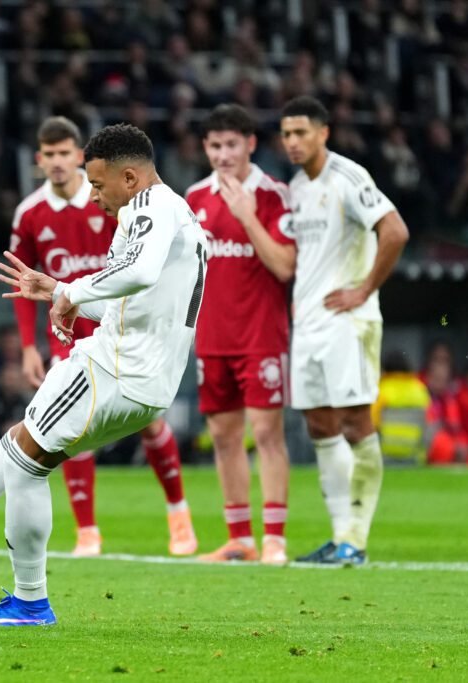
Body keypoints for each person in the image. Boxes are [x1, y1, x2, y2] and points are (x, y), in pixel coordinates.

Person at [0, 123, 207, 627]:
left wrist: (72, 293)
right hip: (148, 384)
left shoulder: (149, 206)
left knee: (23, 464)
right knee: (19, 451)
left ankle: (29, 602)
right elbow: (141, 306)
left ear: (130, 177)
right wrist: (61, 292)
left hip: (111, 368)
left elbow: (139, 273)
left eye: (98, 184)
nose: (94, 195)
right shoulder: (180, 214)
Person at [10, 115, 196, 557]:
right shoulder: (30, 213)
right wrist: (28, 345)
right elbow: (23, 281)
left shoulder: (117, 197)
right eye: (49, 154)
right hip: (69, 326)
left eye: (64, 153)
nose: (57, 162)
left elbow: (137, 268)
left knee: (149, 423)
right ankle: (87, 531)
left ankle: (178, 512)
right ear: (39, 159)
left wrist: (72, 291)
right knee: (69, 428)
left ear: (78, 156)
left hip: (119, 321)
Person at [279, 96, 410, 564]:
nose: (292, 142)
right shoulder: (297, 187)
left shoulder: (348, 177)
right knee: (319, 424)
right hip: (309, 323)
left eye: (301, 132)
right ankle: (339, 537)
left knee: (355, 421)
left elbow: (394, 231)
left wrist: (364, 289)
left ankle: (356, 537)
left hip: (347, 323)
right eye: (286, 134)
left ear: (323, 133)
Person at [185, 104, 294, 565]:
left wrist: (247, 217)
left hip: (261, 336)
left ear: (250, 144)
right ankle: (240, 540)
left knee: (266, 432)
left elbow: (285, 266)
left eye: (232, 144)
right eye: (215, 146)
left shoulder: (273, 196)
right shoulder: (193, 198)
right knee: (223, 436)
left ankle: (275, 539)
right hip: (213, 336)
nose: (223, 154)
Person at [371, 351, 431, 464]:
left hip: (384, 458)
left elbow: (372, 425)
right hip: (414, 457)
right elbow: (429, 426)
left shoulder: (380, 391)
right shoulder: (421, 390)